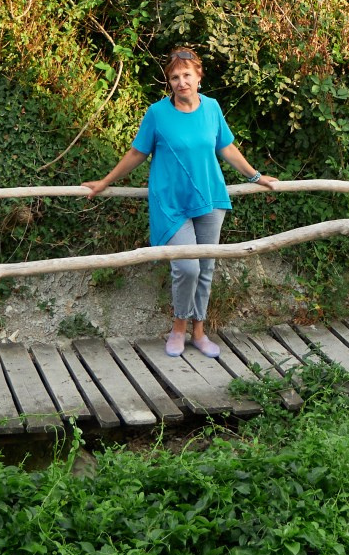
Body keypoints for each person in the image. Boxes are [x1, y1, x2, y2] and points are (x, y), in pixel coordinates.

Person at [84, 46, 276, 357]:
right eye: (174, 77)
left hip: (210, 199)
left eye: (187, 74)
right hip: (171, 203)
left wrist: (257, 177)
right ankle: (178, 328)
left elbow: (226, 148)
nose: (181, 81)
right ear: (169, 82)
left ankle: (199, 332)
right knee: (186, 268)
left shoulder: (212, 108)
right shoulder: (157, 114)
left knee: (206, 268)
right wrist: (105, 182)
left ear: (199, 76)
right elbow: (137, 153)